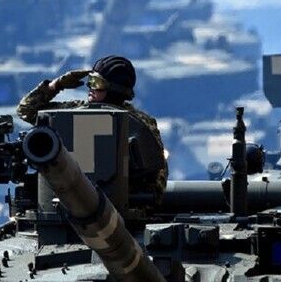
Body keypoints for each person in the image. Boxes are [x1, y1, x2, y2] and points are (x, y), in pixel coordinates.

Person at [17, 55, 168, 204]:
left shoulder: (140, 124)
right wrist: (55, 85)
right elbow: (25, 110)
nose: (90, 87)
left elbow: (156, 173)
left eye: (96, 82)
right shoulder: (73, 110)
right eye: (90, 81)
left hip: (122, 205)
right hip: (65, 200)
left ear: (114, 89)